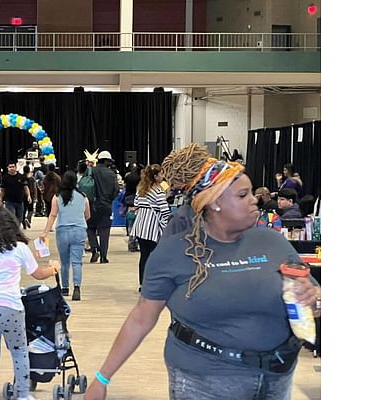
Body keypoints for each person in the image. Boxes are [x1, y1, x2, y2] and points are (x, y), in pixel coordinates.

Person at [83, 143, 321, 400]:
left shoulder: (272, 241)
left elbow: (308, 293)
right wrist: (102, 377)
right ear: (214, 203)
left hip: (277, 378)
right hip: (204, 381)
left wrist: (314, 298)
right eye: (243, 195)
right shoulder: (174, 253)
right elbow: (141, 318)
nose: (254, 200)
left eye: (251, 193)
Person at [0, 207, 61, 400]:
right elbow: (37, 274)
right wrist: (53, 268)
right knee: (19, 351)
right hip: (9, 306)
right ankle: (22, 394)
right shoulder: (19, 248)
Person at [40, 171, 90, 301]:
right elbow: (88, 215)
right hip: (79, 230)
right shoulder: (83, 196)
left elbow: (52, 215)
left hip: (62, 230)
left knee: (64, 261)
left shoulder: (57, 197)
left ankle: (65, 288)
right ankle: (77, 288)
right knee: (77, 262)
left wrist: (45, 232)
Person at [129, 164, 171, 292]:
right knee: (154, 257)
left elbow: (136, 203)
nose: (163, 177)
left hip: (141, 226)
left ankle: (142, 283)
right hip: (152, 228)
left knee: (144, 255)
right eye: (161, 174)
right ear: (156, 176)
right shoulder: (158, 191)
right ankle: (152, 283)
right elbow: (164, 210)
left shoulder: (141, 189)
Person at [92, 151, 119, 264]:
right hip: (106, 205)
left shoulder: (92, 171)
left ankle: (95, 247)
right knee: (105, 231)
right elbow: (116, 190)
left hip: (93, 205)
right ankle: (104, 256)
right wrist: (110, 199)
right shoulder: (112, 174)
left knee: (90, 228)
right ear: (107, 161)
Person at [77, 162, 101, 263]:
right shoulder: (94, 178)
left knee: (88, 229)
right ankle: (97, 247)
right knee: (93, 229)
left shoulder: (79, 180)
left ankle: (93, 247)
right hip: (95, 205)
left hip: (83, 207)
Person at [0, 162, 31, 227]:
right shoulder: (5, 178)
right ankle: (13, 231)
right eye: (10, 167)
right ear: (7, 168)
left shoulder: (21, 177)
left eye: (13, 167)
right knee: (11, 216)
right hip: (9, 201)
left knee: (19, 217)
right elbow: (2, 190)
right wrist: (1, 200)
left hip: (20, 200)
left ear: (16, 168)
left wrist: (29, 196)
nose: (12, 168)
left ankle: (17, 230)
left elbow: (26, 187)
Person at [123, 164, 142, 252]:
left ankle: (130, 238)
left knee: (130, 219)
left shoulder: (128, 176)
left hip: (128, 199)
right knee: (136, 222)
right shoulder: (139, 178)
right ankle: (134, 243)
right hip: (136, 199)